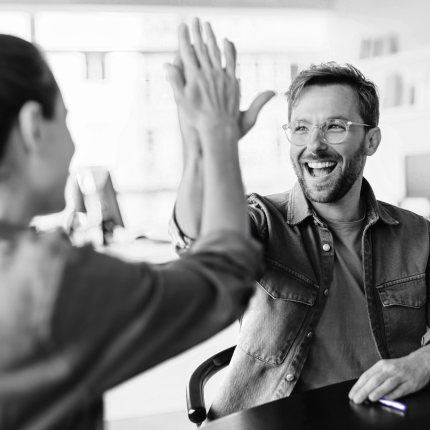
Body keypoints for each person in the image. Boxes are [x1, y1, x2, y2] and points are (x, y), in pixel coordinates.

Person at [0, 20, 263, 429]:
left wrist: (199, 146)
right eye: (65, 121)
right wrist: (218, 131)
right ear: (34, 126)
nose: (72, 145)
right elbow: (224, 276)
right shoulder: (44, 280)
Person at [170, 60, 430, 420]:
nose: (314, 146)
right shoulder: (263, 219)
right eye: (301, 128)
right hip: (265, 421)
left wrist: (424, 361)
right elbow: (199, 234)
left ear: (371, 140)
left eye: (335, 127)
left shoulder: (419, 235)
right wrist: (205, 148)